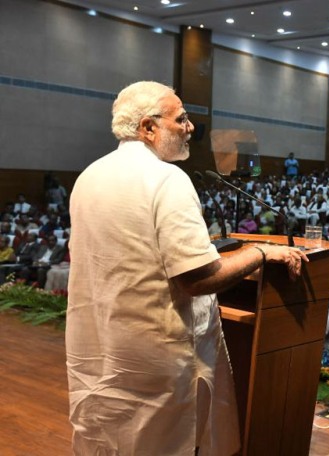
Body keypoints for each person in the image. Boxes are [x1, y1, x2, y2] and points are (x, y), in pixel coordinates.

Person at [66, 81, 308, 455]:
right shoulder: (167, 179)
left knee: (109, 439)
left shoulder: (89, 176)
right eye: (181, 119)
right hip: (156, 356)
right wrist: (259, 253)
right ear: (149, 127)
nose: (190, 127)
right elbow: (200, 279)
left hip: (103, 344)